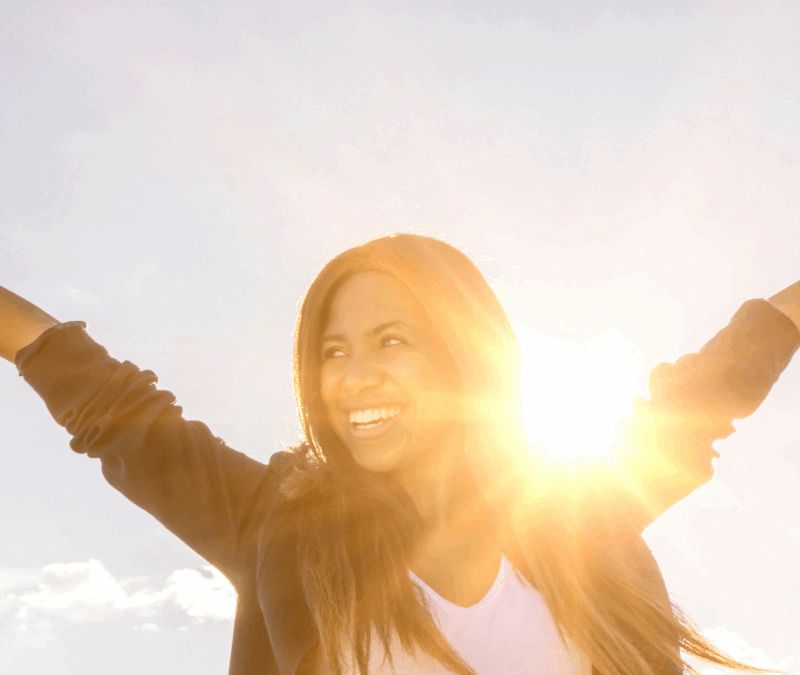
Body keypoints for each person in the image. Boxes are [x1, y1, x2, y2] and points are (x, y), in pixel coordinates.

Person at [2, 233, 799, 675]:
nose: (355, 378)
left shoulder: (577, 513)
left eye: (391, 341)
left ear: (465, 351)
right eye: (333, 350)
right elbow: (117, 412)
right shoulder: (277, 525)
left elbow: (707, 394)